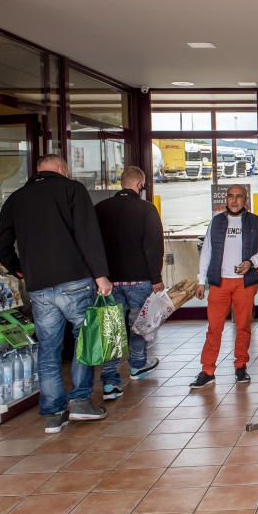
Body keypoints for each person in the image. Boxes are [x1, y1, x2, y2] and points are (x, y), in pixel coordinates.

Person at [0, 154, 113, 434]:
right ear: (61, 168)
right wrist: (100, 275)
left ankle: (54, 413)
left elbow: (0, 242)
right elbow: (88, 233)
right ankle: (81, 402)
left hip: (38, 286)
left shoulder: (17, 198)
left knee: (48, 348)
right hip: (75, 280)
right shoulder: (72, 189)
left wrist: (18, 268)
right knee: (83, 340)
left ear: (37, 171)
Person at [95, 166, 164, 400]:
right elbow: (153, 246)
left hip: (108, 281)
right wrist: (156, 278)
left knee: (111, 329)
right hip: (139, 280)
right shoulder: (146, 209)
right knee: (139, 324)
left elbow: (89, 243)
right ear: (140, 184)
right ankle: (136, 365)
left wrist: (96, 275)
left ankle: (110, 382)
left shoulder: (100, 209)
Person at [190, 184, 258, 388]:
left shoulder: (256, 222)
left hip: (244, 284)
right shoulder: (216, 222)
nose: (234, 200)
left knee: (243, 327)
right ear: (226, 199)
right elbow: (207, 251)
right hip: (220, 283)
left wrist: (250, 262)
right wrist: (200, 281)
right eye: (230, 196)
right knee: (214, 328)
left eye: (238, 196)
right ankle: (207, 370)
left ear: (245, 199)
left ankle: (241, 366)